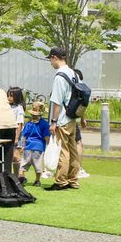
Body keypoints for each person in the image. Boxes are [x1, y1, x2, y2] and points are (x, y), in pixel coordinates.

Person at [46, 47, 80, 191]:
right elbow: (80, 97)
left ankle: (61, 181)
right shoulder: (73, 73)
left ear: (55, 57)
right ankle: (73, 179)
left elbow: (57, 102)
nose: (50, 63)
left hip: (62, 118)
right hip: (73, 116)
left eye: (50, 59)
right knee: (73, 150)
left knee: (63, 150)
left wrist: (53, 122)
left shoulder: (60, 76)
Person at [19, 102, 51, 185]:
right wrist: (48, 145)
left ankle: (21, 177)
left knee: (24, 162)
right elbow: (46, 137)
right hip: (39, 146)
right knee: (38, 164)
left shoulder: (29, 123)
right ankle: (37, 180)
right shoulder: (45, 124)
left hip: (28, 146)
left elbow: (24, 136)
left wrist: (22, 146)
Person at [7, 86, 26, 177]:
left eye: (11, 96)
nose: (9, 98)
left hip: (16, 135)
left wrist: (17, 138)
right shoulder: (7, 107)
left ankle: (18, 176)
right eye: (8, 96)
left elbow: (19, 124)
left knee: (16, 156)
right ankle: (11, 176)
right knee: (9, 156)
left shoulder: (19, 108)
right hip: (8, 133)